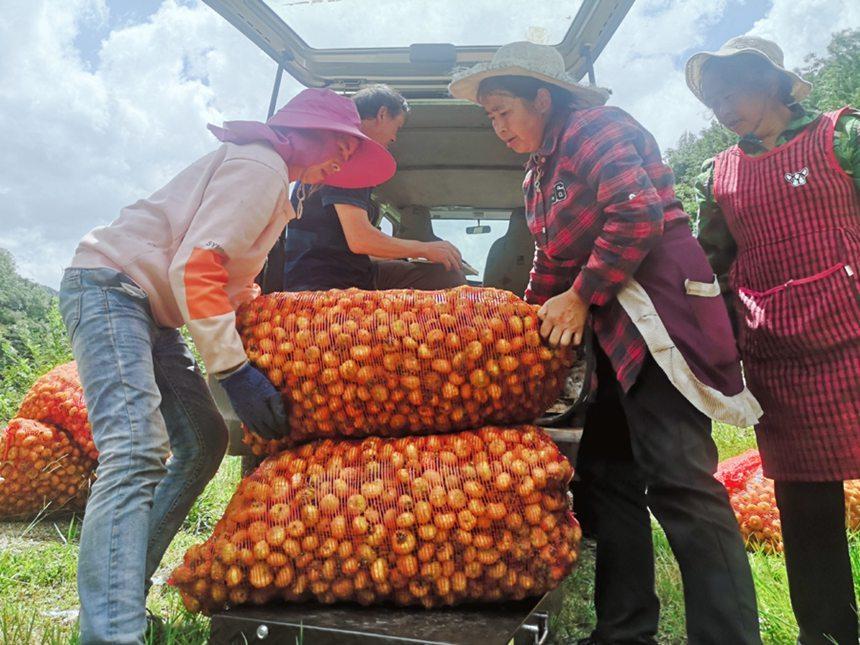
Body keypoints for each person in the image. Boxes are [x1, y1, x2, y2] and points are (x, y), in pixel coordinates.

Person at [450, 41, 763, 644]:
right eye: (490, 116)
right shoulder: (539, 169)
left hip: (656, 315)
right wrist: (523, 322)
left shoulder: (594, 127)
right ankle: (625, 630)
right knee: (606, 477)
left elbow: (637, 213)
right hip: (608, 331)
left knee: (677, 478)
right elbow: (550, 259)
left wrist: (580, 293)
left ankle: (728, 637)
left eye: (506, 110)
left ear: (545, 98)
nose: (499, 126)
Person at [58, 88, 395, 645]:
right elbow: (197, 267)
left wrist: (274, 334)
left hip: (151, 308)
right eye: (338, 142)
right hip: (110, 289)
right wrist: (234, 372)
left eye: (349, 149)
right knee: (136, 450)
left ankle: (117, 601)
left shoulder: (279, 186)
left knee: (201, 442)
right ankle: (110, 634)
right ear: (304, 132)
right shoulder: (260, 166)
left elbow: (231, 281)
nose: (341, 157)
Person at [686, 35, 860, 645]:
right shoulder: (719, 173)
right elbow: (714, 262)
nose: (723, 106)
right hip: (777, 350)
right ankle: (829, 634)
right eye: (712, 99)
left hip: (855, 334)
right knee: (804, 503)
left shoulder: (844, 138)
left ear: (770, 82)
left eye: (732, 90)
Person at [263, 83, 466, 293]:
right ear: (382, 114)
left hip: (324, 273)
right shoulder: (350, 160)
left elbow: (353, 248)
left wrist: (408, 253)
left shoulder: (332, 155)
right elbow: (360, 240)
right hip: (328, 283)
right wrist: (425, 249)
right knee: (448, 275)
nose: (395, 138)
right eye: (397, 127)